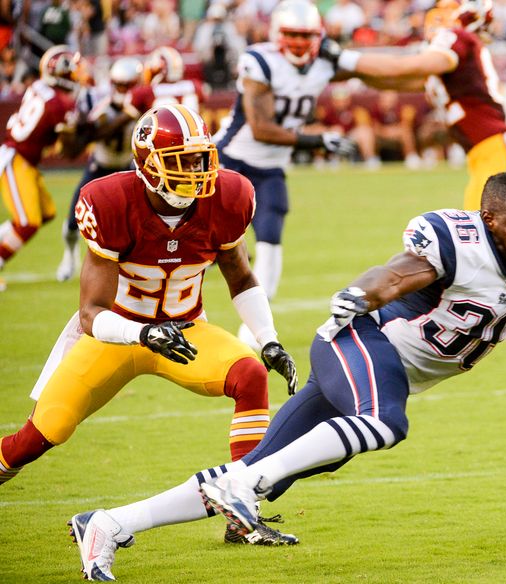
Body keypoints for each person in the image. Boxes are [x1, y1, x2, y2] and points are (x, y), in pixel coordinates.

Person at [67, 172, 506, 581]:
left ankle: (107, 523)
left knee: (254, 474)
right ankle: (242, 487)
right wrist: (361, 293)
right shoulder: (459, 242)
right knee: (385, 422)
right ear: (488, 221)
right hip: (360, 341)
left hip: (380, 368)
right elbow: (396, 275)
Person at [0, 106, 299, 552]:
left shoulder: (228, 197)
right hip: (114, 334)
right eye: (182, 160)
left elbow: (240, 276)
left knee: (250, 374)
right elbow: (91, 314)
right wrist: (142, 334)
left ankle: (243, 515)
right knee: (42, 434)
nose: (197, 171)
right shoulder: (110, 201)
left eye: (200, 159)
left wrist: (269, 339)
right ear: (148, 164)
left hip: (184, 331)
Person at [211, 0, 357, 347]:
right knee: (202, 243)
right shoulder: (259, 61)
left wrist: (430, 63)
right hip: (230, 161)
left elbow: (370, 69)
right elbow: (260, 128)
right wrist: (317, 140)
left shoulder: (323, 64)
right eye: (291, 34)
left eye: (304, 35)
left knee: (271, 242)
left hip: (271, 167)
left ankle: (253, 332)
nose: (297, 42)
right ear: (277, 33)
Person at [327, 0, 506, 210]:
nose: (435, 17)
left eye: (444, 10)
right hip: (483, 154)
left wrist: (344, 58)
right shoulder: (459, 59)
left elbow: (405, 66)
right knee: (480, 232)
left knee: (491, 231)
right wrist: (342, 73)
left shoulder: (459, 38)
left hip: (496, 148)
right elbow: (394, 79)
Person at [56, 56, 144, 282]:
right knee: (73, 222)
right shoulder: (97, 101)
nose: (122, 90)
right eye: (119, 85)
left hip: (128, 168)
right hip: (100, 166)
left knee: (135, 223)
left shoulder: (143, 102)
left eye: (128, 85)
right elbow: (82, 141)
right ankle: (69, 255)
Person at [0, 45, 80, 281]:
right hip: (16, 158)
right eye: (71, 71)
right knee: (27, 223)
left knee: (46, 213)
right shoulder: (59, 104)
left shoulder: (37, 86)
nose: (74, 76)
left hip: (23, 159)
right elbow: (65, 147)